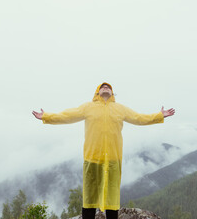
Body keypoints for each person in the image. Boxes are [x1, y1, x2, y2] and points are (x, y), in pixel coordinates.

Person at [32, 82, 175, 219]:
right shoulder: (88, 107)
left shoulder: (120, 108)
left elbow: (139, 118)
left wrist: (159, 115)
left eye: (108, 87)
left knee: (112, 197)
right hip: (92, 158)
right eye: (102, 87)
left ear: (112, 93)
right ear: (97, 92)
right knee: (90, 196)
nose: (106, 88)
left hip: (113, 159)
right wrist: (46, 116)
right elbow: (67, 115)